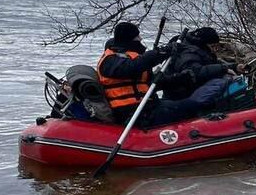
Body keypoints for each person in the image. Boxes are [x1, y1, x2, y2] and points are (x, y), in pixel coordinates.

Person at [95, 22, 245, 126]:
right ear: (128, 39)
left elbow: (154, 83)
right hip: (132, 113)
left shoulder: (132, 57)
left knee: (190, 104)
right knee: (191, 108)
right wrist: (161, 52)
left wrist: (182, 78)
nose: (140, 39)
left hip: (148, 107)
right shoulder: (110, 61)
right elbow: (132, 68)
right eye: (137, 37)